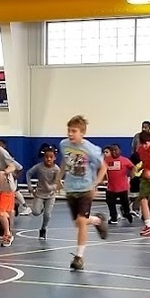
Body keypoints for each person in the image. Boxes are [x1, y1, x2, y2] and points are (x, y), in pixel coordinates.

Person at [58, 115, 108, 270]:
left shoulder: (90, 149)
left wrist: (95, 184)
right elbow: (65, 161)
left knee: (80, 222)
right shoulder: (64, 144)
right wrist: (58, 178)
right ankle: (98, 220)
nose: (70, 134)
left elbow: (103, 167)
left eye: (74, 131)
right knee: (78, 223)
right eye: (69, 131)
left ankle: (79, 258)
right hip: (71, 188)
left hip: (85, 188)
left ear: (82, 133)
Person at [27, 144, 62, 240]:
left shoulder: (57, 169)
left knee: (47, 215)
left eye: (51, 157)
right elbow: (28, 173)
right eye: (46, 157)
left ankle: (43, 228)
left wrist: (50, 187)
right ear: (43, 157)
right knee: (35, 212)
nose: (49, 159)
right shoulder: (39, 167)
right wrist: (30, 187)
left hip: (50, 195)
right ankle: (40, 208)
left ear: (54, 158)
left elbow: (57, 184)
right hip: (39, 194)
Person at [103, 144, 134, 225]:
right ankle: (113, 217)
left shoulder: (125, 160)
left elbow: (133, 167)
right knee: (110, 202)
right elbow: (101, 169)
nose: (114, 152)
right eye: (112, 150)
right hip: (111, 188)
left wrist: (131, 176)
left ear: (120, 150)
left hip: (122, 187)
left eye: (116, 150)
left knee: (125, 203)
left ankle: (127, 214)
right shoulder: (106, 160)